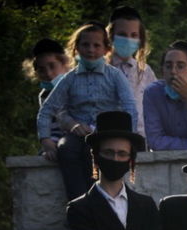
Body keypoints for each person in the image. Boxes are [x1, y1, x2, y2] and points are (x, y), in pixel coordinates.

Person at [37, 22, 138, 199]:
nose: (91, 49)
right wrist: (45, 139)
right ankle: (78, 204)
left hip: (106, 134)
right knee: (66, 150)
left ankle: (101, 202)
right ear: (76, 49)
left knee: (96, 155)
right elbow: (47, 110)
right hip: (77, 135)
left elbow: (130, 107)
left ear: (106, 49)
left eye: (96, 45)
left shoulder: (114, 76)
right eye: (85, 45)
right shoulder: (70, 78)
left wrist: (128, 138)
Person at [142, 41, 187, 151]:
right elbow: (155, 141)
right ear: (162, 70)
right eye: (168, 66)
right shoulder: (152, 93)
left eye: (180, 66)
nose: (173, 71)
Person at [106, 6, 157, 135]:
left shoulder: (145, 71)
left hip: (139, 138)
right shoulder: (101, 69)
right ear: (111, 36)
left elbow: (155, 106)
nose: (128, 39)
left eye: (134, 35)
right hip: (107, 136)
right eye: (122, 35)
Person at [26, 36, 70, 123]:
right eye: (42, 70)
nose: (48, 73)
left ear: (64, 63)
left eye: (52, 66)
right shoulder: (44, 96)